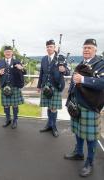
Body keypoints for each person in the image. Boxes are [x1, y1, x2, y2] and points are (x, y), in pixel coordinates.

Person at [64, 39, 104, 177]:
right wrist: (70, 97)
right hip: (76, 103)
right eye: (85, 48)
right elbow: (74, 81)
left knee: (91, 137)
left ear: (95, 50)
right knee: (77, 131)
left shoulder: (101, 64)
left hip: (89, 105)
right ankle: (79, 153)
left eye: (89, 48)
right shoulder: (81, 63)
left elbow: (102, 83)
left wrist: (83, 79)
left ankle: (90, 162)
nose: (86, 50)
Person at [37, 40, 70, 137]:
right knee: (48, 106)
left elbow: (68, 72)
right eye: (47, 47)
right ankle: (49, 124)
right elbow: (41, 73)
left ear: (54, 47)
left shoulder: (60, 58)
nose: (49, 48)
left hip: (55, 85)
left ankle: (54, 126)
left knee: (54, 108)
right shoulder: (43, 59)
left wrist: (64, 70)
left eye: (51, 46)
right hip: (45, 86)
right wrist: (39, 86)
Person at [0, 46, 26, 129]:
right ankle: (8, 119)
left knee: (15, 105)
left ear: (12, 53)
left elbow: (24, 72)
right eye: (6, 52)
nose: (8, 53)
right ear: (4, 53)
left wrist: (21, 68)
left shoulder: (17, 61)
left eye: (9, 51)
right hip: (4, 86)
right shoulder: (0, 62)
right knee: (6, 105)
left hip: (14, 85)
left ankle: (15, 120)